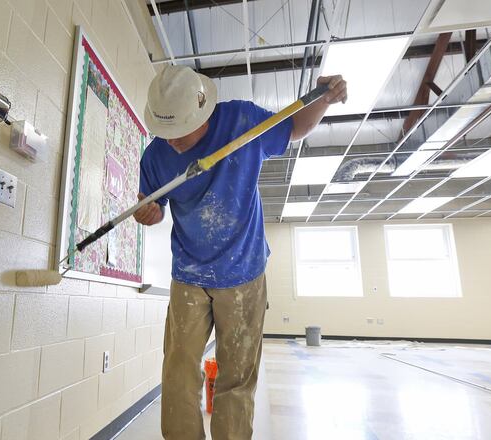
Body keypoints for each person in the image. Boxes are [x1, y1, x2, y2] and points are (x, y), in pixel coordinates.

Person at [135, 65, 347, 440]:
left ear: (202, 112)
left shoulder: (242, 122)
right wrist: (147, 213)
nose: (172, 142)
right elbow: (150, 205)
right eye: (164, 132)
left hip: (243, 272)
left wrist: (325, 100)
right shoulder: (155, 157)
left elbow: (295, 127)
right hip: (188, 274)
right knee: (179, 369)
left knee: (237, 376)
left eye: (179, 131)